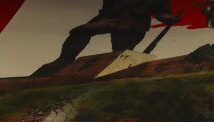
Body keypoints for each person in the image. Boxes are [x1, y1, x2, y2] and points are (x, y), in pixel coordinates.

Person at [32, 0, 180, 76]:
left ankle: (115, 72)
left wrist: (170, 18)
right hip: (108, 18)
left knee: (120, 53)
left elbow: (162, 13)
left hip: (135, 23)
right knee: (79, 32)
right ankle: (64, 60)